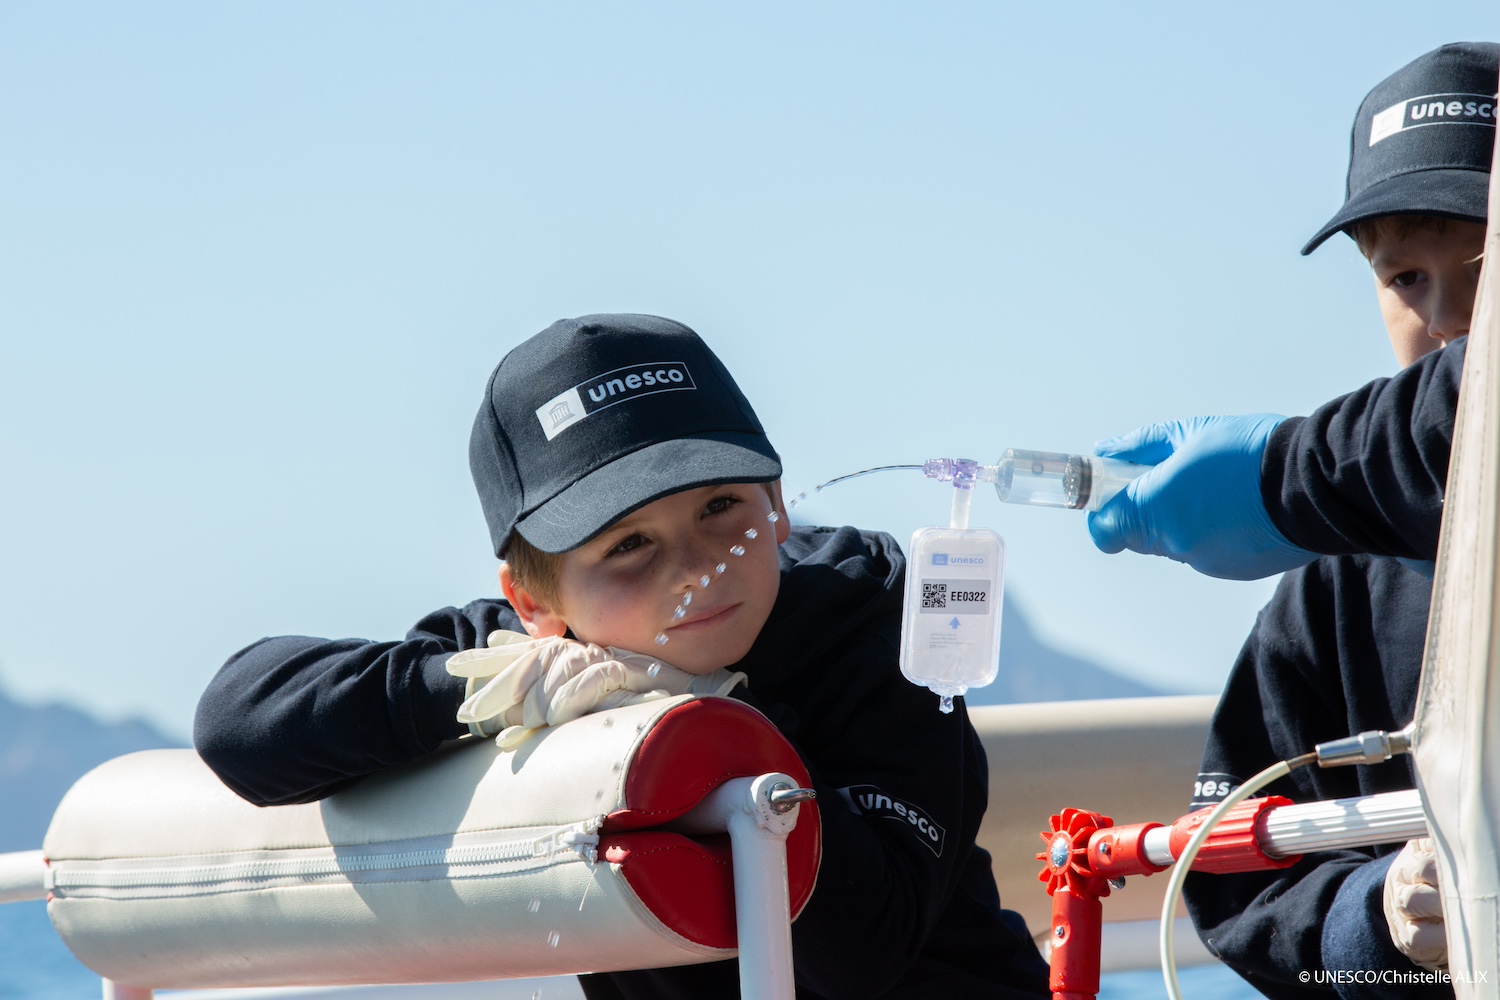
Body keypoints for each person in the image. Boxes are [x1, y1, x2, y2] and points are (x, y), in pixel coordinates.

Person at [194, 313, 1051, 1000]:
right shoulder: (531, 652)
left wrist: (699, 719)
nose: (696, 565)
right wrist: (464, 696)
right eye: (629, 542)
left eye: (722, 505)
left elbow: (859, 953)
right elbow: (240, 718)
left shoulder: (870, 618)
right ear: (536, 598)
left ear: (779, 504)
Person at [1089, 43, 1495, 999]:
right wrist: (1378, 919)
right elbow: (1236, 887)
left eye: (1488, 268)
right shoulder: (1331, 585)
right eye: (1405, 279)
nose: (1449, 319)